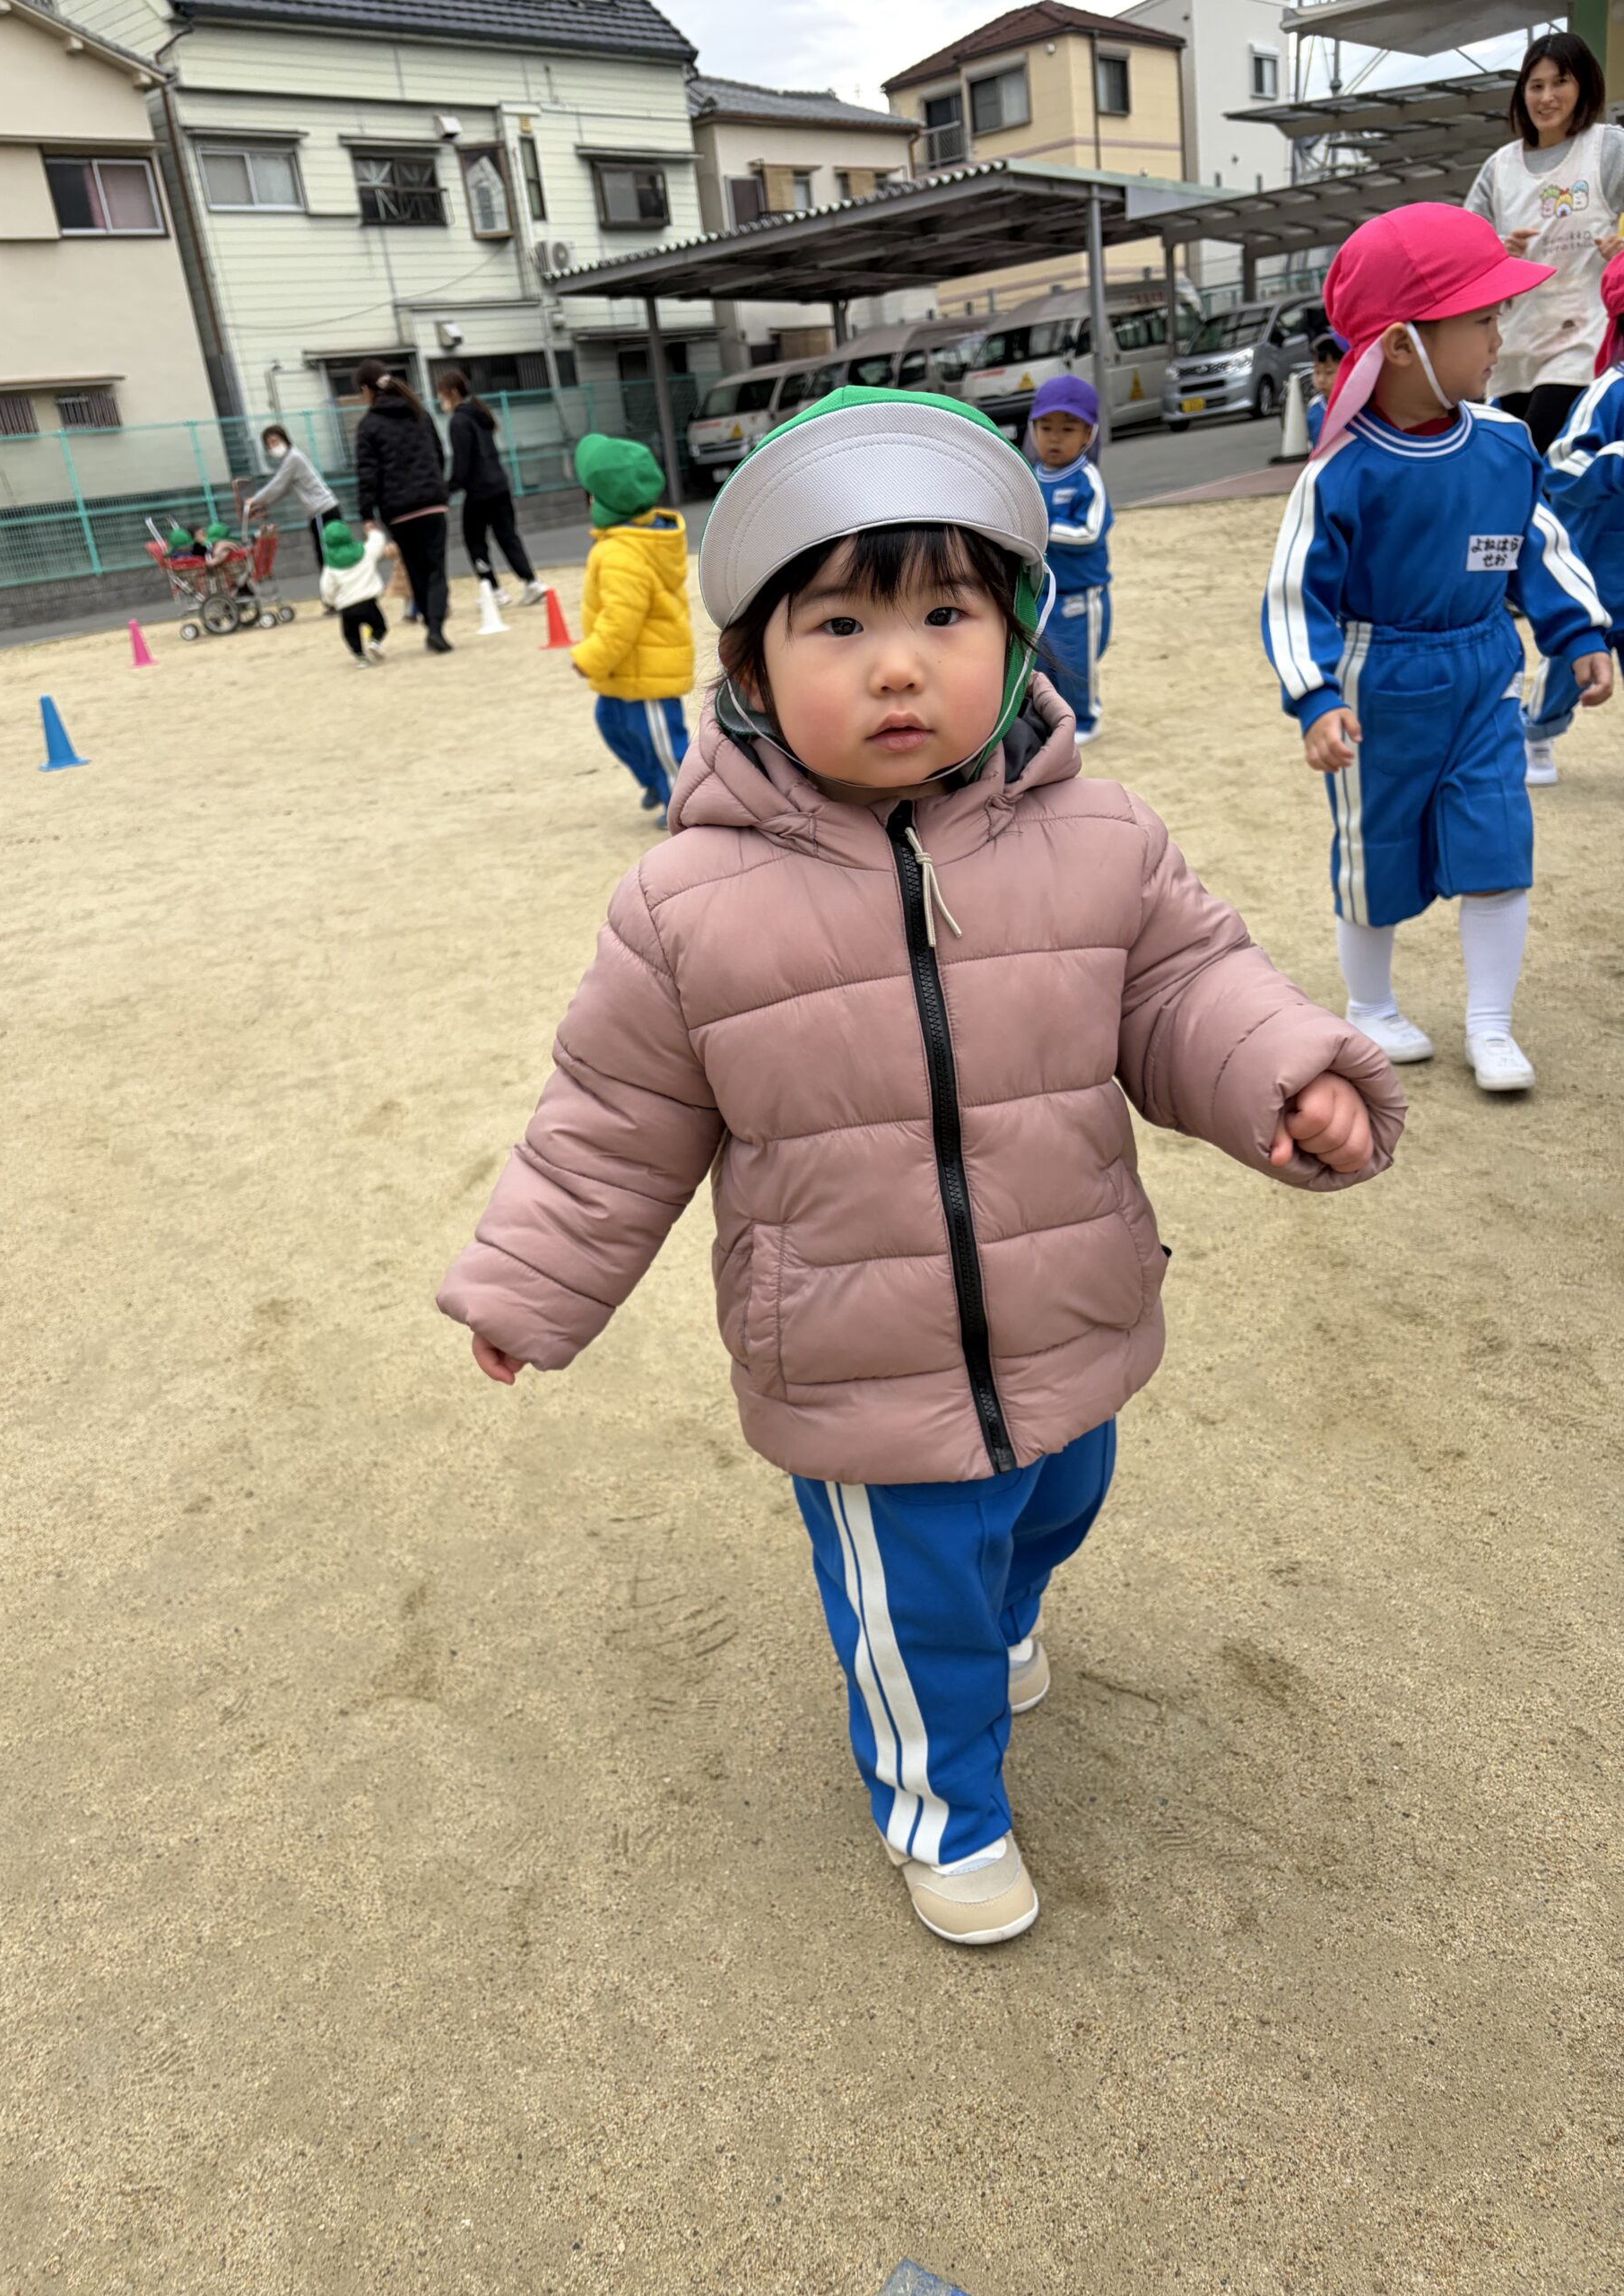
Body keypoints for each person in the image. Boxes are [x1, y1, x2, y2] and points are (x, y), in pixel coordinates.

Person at [438, 387, 1406, 1948]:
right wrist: (531, 1285)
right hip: (850, 1344)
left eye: (945, 614)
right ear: (751, 664)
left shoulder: (1102, 839)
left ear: (1015, 635)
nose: (898, 665)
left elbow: (1189, 992)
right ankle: (943, 1809)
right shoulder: (686, 906)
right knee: (913, 1601)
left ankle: (1009, 1615)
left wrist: (1291, 1075)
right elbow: (609, 1119)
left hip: (1068, 1298)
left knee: (1054, 1503)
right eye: (839, 625)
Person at [1263, 204, 1614, 1099]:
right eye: (1483, 318)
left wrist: (1578, 631)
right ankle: (1370, 1004)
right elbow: (1296, 591)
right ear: (1402, 344)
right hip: (1378, 686)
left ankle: (1490, 1022)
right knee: (1376, 852)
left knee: (1498, 842)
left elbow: (1538, 543)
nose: (1501, 335)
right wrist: (1315, 697)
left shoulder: (1504, 444)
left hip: (1485, 673)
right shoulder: (1341, 470)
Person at [1465, 30, 1624, 451]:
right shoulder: (1499, 168)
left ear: (1583, 86)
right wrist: (1496, 252)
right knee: (1517, 464)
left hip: (1584, 342)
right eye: (1536, 86)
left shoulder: (1607, 148)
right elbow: (1463, 254)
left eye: (1560, 82)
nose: (1547, 97)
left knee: (1537, 452)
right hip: (1512, 350)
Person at [1523, 249, 1624, 787]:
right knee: (1571, 664)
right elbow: (1560, 465)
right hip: (1593, 568)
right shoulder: (1609, 390)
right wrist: (1615, 464)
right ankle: (1536, 732)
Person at [567, 432, 693, 826]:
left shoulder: (622, 552)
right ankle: (655, 780)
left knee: (664, 741)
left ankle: (685, 804)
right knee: (612, 724)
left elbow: (621, 620)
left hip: (647, 672)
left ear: (600, 500)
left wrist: (590, 657)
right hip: (626, 669)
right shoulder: (624, 541)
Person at [1024, 375, 1112, 743]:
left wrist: (1041, 527)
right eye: (1046, 428)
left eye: (1068, 429)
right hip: (1039, 593)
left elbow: (1090, 531)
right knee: (1041, 660)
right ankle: (1049, 720)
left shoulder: (1086, 479)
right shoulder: (1030, 476)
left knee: (1076, 660)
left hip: (1079, 593)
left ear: (1088, 434)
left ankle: (1086, 720)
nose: (1054, 438)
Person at [352, 360, 452, 653]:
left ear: (366, 389)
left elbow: (367, 472)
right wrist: (436, 485)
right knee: (436, 569)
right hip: (431, 503)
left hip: (398, 510)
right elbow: (438, 454)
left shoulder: (368, 425)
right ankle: (436, 628)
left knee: (415, 568)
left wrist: (367, 513)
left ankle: (429, 623)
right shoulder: (420, 412)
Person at [437, 370, 547, 607]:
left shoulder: (459, 421)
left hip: (479, 491)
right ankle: (531, 582)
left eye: (441, 394)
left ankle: (493, 589)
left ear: (452, 393)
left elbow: (462, 463)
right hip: (499, 485)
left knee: (474, 541)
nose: (440, 399)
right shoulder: (479, 414)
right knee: (508, 536)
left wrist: (446, 489)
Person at [246, 424, 340, 566]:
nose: (272, 447)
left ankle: (334, 580)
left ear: (285, 439)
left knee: (327, 555)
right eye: (269, 444)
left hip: (322, 511)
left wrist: (255, 500)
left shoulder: (293, 458)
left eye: (275, 441)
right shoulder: (291, 458)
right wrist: (262, 503)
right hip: (322, 511)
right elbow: (284, 489)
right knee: (329, 553)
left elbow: (278, 484)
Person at [317, 518, 395, 666]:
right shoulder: (365, 552)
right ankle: (374, 641)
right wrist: (372, 531)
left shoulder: (330, 565)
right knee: (380, 626)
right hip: (368, 602)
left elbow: (327, 588)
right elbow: (377, 542)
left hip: (346, 607)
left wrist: (329, 601)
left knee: (351, 634)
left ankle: (360, 657)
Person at [1307, 333, 1344, 449]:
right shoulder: (1314, 407)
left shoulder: (1360, 406)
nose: (1321, 380)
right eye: (1317, 372)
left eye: (1329, 372)